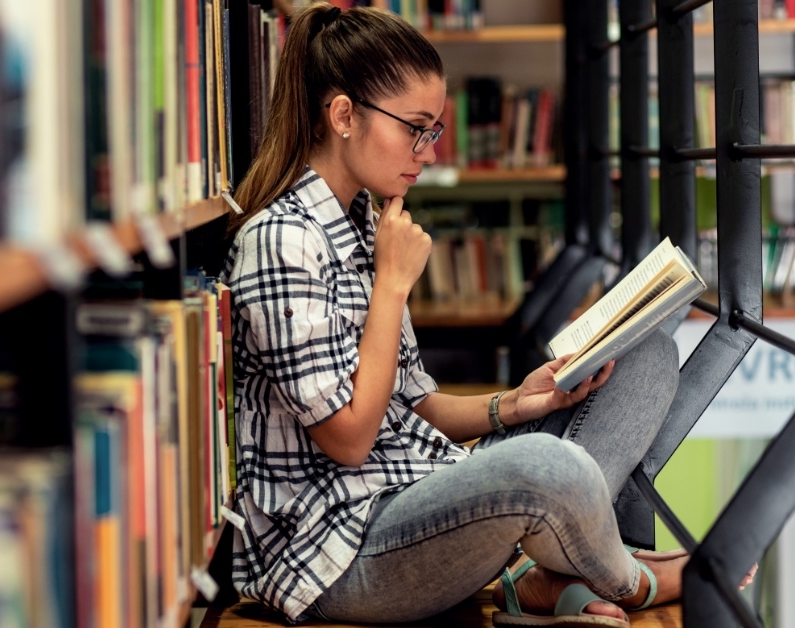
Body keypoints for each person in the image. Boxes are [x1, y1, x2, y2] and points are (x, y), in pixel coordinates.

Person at [220, 4, 722, 626]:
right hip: (340, 554)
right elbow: (349, 440)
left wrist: (520, 402)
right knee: (548, 470)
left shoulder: (366, 222)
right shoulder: (279, 242)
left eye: (432, 132)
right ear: (344, 115)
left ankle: (540, 579)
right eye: (416, 128)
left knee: (642, 358)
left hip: (416, 492)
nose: (427, 153)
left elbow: (415, 406)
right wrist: (391, 288)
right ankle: (629, 578)